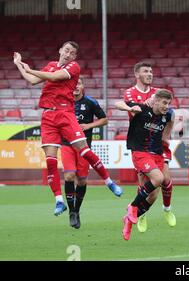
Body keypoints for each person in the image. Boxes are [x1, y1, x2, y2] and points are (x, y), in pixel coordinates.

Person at [13, 41, 122, 216]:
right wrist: (19, 65)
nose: (68, 54)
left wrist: (29, 69)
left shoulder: (74, 67)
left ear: (74, 57)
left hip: (65, 113)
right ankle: (58, 200)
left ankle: (109, 181)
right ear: (60, 50)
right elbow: (32, 81)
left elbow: (55, 77)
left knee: (84, 151)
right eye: (66, 50)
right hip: (48, 116)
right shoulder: (49, 66)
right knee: (50, 161)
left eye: (71, 53)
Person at [122, 62, 176, 233]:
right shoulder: (130, 92)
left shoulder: (158, 93)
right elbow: (130, 109)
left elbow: (168, 113)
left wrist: (167, 134)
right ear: (137, 74)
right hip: (141, 141)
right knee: (150, 190)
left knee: (164, 179)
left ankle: (166, 210)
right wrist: (138, 108)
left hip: (157, 143)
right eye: (146, 71)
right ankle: (140, 213)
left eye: (151, 71)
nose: (150, 74)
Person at [61, 76, 108, 229]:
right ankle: (71, 212)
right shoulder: (62, 102)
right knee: (69, 176)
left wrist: (88, 126)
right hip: (67, 145)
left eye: (78, 83)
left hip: (84, 148)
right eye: (73, 84)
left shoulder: (90, 102)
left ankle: (77, 210)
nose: (75, 86)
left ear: (82, 86)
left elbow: (104, 120)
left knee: (81, 181)